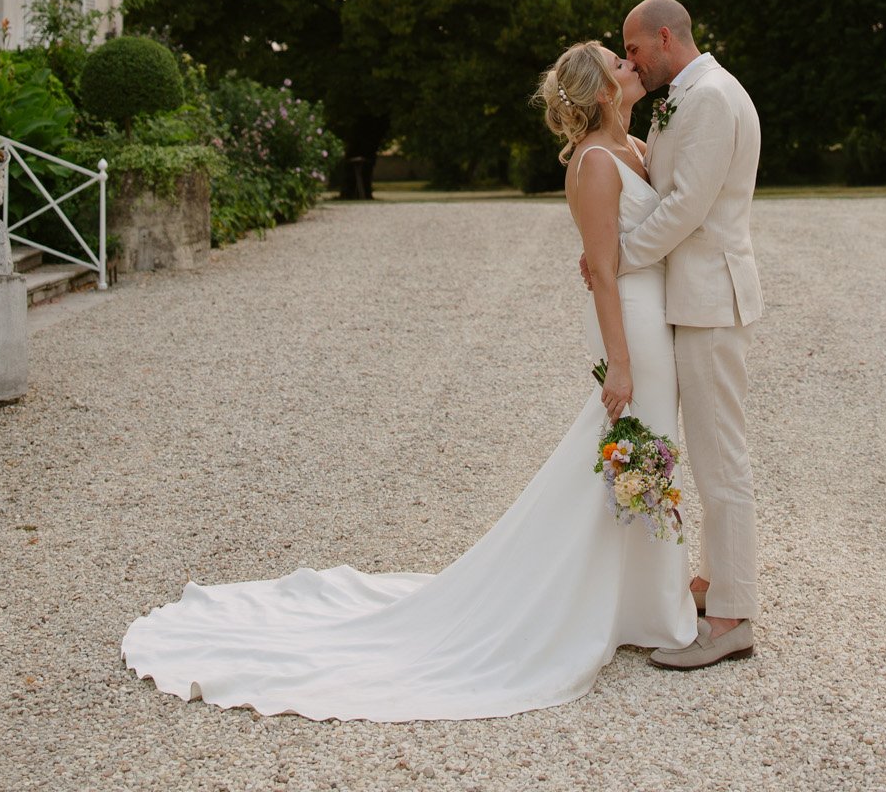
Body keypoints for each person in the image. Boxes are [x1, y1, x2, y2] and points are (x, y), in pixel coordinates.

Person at [121, 40, 694, 721]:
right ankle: (626, 607)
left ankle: (637, 600)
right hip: (631, 322)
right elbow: (601, 270)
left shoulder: (635, 149)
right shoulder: (596, 165)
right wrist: (620, 361)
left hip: (656, 313)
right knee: (631, 441)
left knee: (638, 445)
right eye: (616, 61)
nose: (630, 65)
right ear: (601, 90)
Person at [609, 0, 763, 671]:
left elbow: (684, 207)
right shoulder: (689, 93)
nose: (631, 62)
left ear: (664, 37)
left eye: (634, 50)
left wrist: (617, 259)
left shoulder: (707, 99)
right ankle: (715, 583)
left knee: (719, 456)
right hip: (692, 297)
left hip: (708, 300)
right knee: (705, 450)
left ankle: (731, 617)